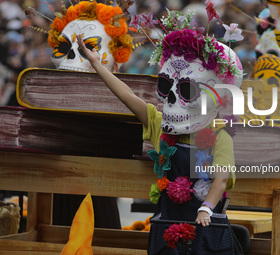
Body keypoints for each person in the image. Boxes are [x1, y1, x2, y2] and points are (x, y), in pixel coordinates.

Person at [76, 8, 243, 254]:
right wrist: (97, 65)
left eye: (187, 90)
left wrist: (206, 208)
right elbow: (127, 96)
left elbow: (220, 179)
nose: (173, 98)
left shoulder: (220, 136)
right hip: (167, 226)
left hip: (205, 229)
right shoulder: (159, 126)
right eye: (166, 86)